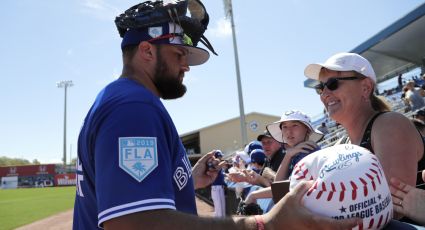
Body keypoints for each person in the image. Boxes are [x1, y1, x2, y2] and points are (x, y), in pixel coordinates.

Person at [72, 1, 360, 230]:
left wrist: (186, 182)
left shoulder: (120, 98)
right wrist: (263, 224)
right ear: (147, 50)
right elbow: (134, 223)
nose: (186, 66)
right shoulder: (133, 107)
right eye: (178, 55)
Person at [304, 52, 425, 216]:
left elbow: (388, 208)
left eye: (333, 84)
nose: (324, 93)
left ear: (366, 88)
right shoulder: (342, 144)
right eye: (320, 88)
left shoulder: (389, 124)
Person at [244, 110, 323, 204]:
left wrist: (254, 195)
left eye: (295, 125)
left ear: (307, 130)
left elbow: (282, 190)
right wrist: (288, 155)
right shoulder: (295, 152)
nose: (289, 131)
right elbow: (278, 185)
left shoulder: (307, 152)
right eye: (284, 127)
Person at [211, 150, 227, 218]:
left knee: (222, 211)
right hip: (216, 188)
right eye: (220, 156)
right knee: (219, 211)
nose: (221, 158)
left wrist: (227, 175)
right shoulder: (214, 164)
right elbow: (215, 168)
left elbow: (221, 174)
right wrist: (223, 163)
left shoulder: (220, 166)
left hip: (220, 188)